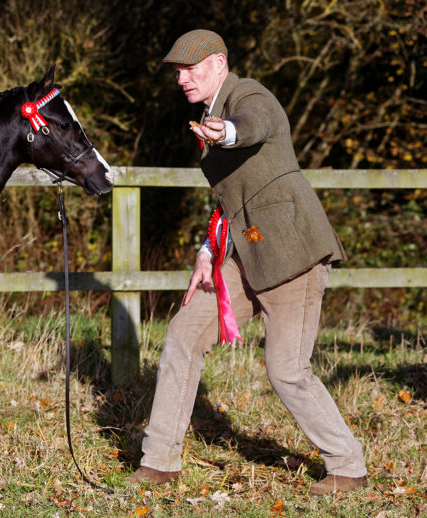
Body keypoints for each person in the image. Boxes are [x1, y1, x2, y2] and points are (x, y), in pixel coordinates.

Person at [128, 29, 367, 496]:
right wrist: (204, 252)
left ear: (219, 63)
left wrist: (229, 132)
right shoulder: (207, 116)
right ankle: (159, 462)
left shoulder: (248, 95)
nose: (181, 78)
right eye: (177, 71)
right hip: (243, 254)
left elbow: (254, 123)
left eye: (191, 69)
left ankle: (348, 467)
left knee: (287, 370)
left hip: (293, 255)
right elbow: (228, 203)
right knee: (182, 333)